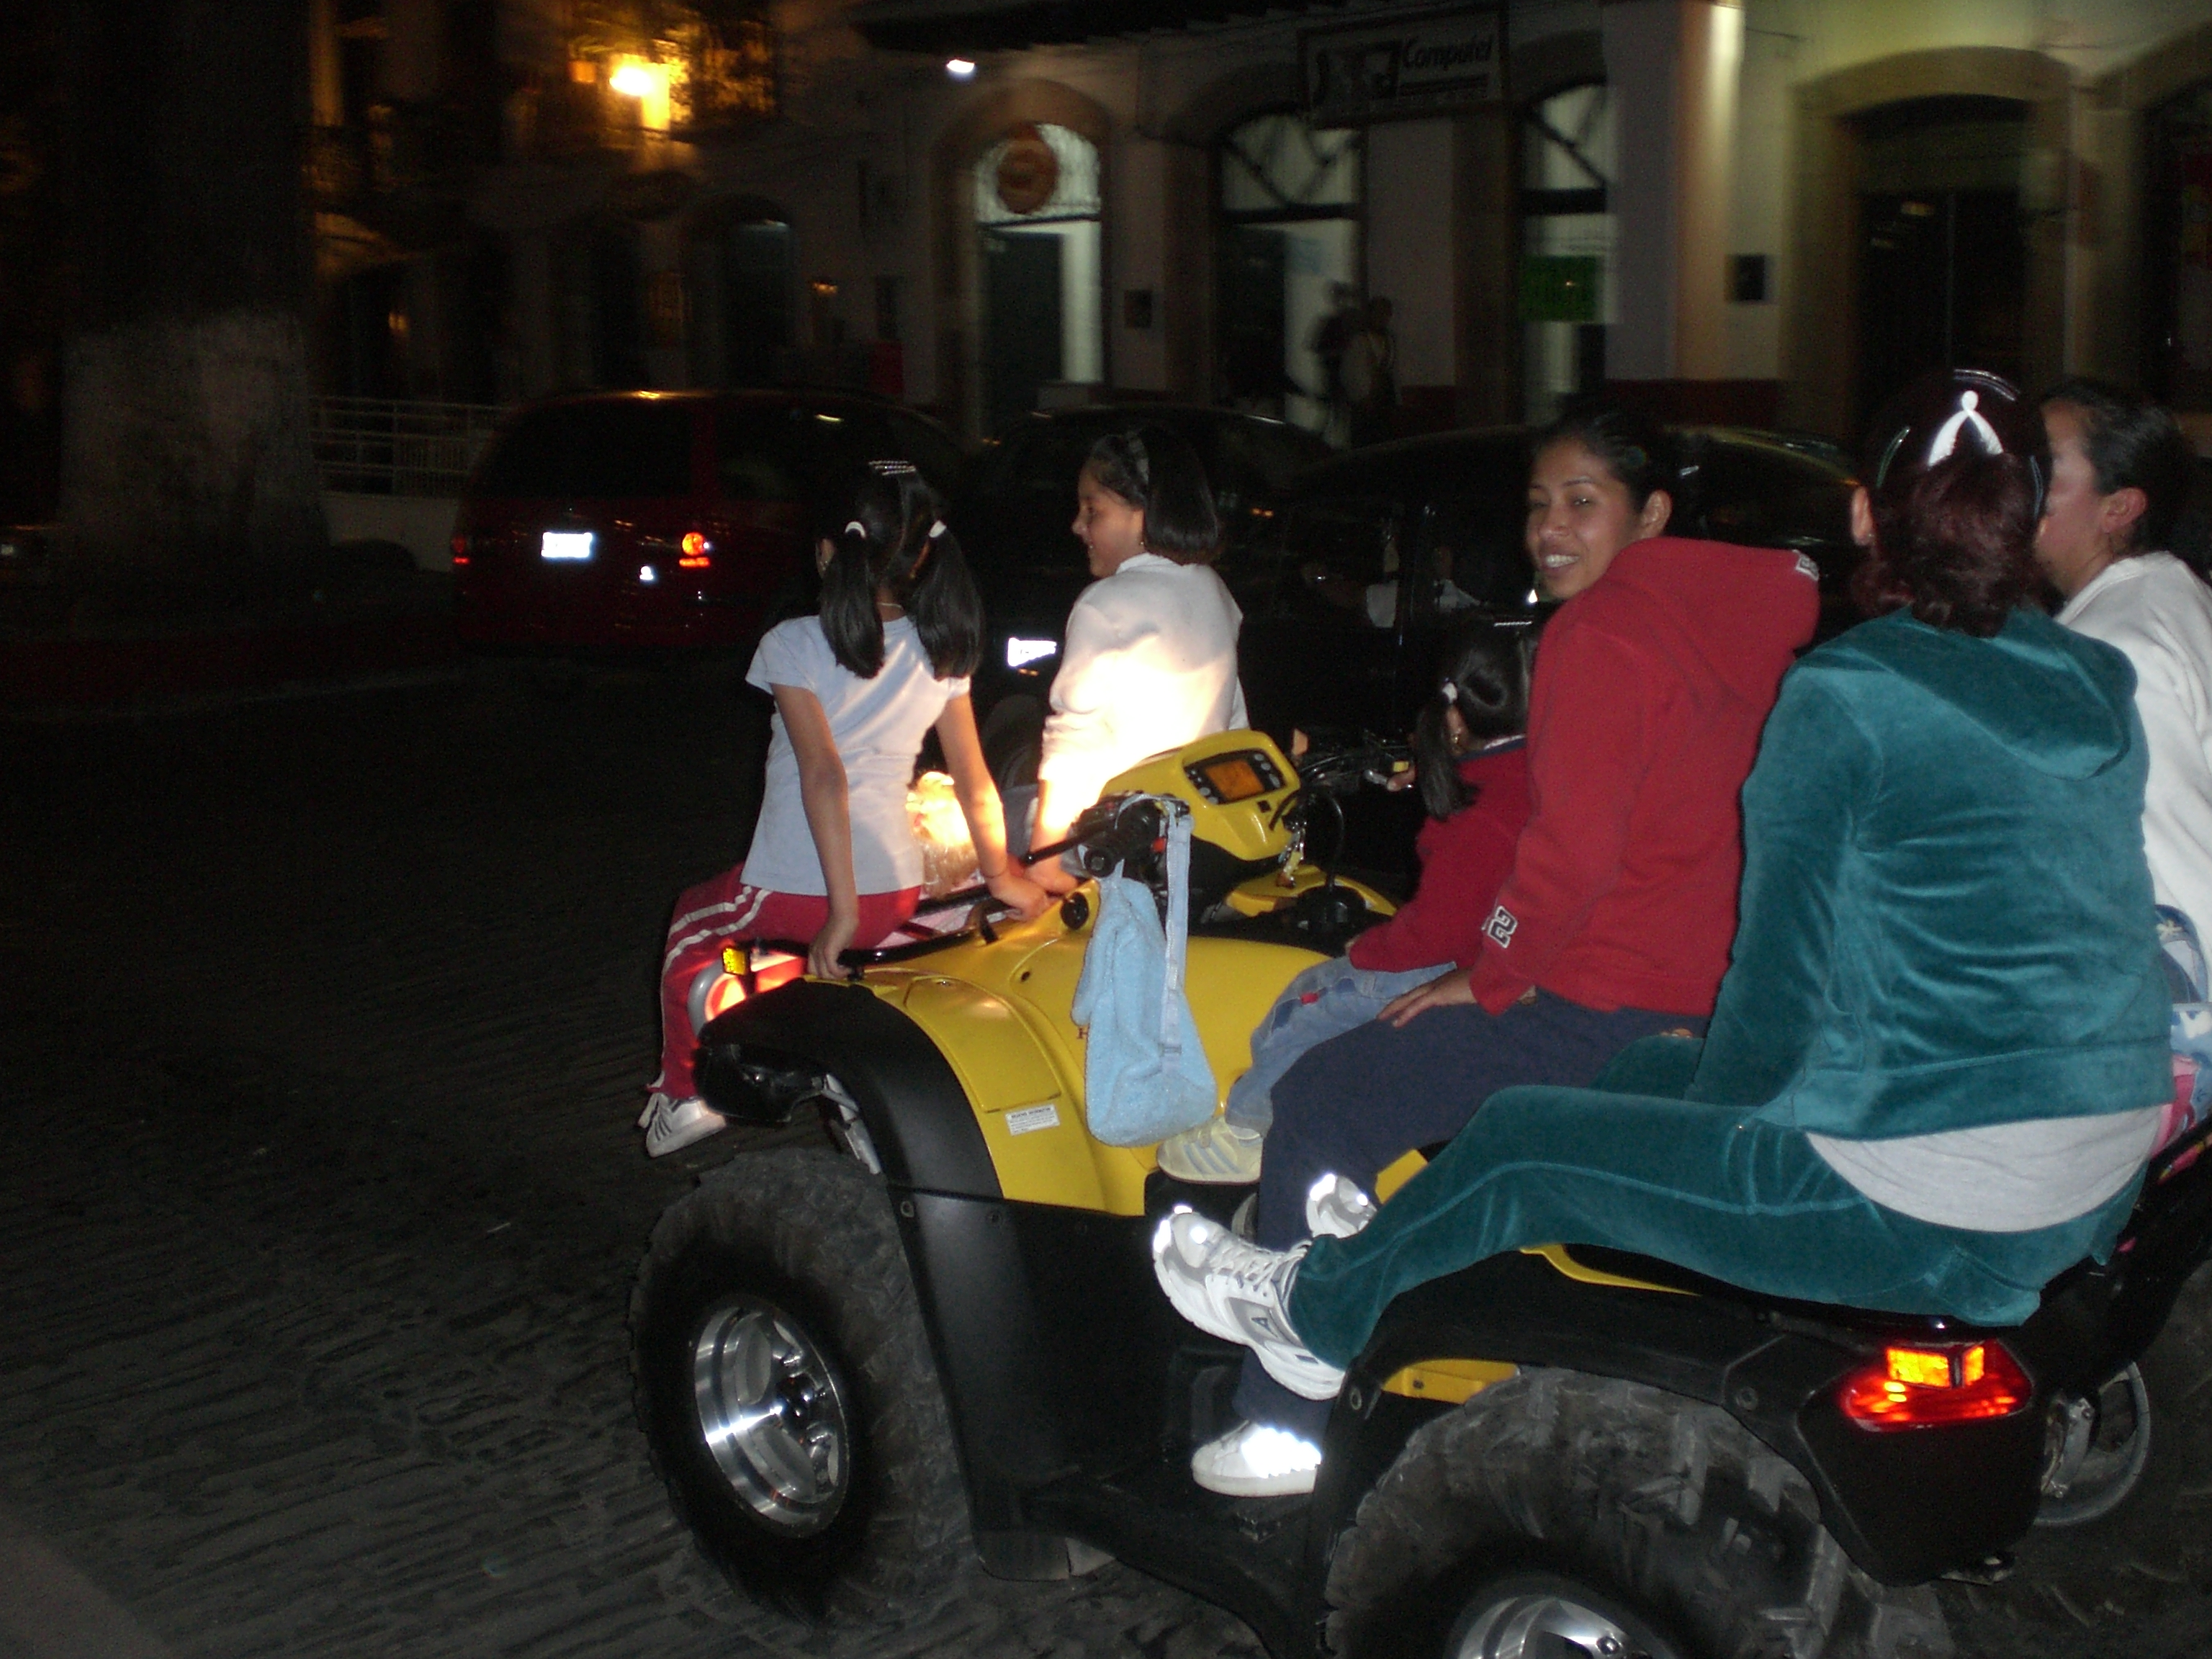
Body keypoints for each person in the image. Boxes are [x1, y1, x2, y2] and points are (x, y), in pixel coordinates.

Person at [1152, 370, 2172, 1475]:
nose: (1552, 526)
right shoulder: (2092, 678)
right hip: (2099, 1158)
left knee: (1522, 1141)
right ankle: (1407, 1271)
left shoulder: (1843, 694)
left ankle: (1315, 1317)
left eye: (1579, 501)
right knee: (1639, 1077)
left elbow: (1772, 996)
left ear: (1863, 514)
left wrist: (1695, 1141)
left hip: (1941, 1197)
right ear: (2029, 519)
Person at [1156, 398, 1823, 1496]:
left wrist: (1491, 970)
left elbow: (1568, 855)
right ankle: (1368, 1258)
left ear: (1652, 513)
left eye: (1583, 502)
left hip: (1603, 996)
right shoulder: (1741, 623)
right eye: (1538, 504)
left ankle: (1288, 1415)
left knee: (1322, 1095)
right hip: (1712, 990)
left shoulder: (1598, 633)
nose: (1551, 529)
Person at [640, 466, 1051, 1157]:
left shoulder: (792, 644)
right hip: (897, 890)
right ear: (921, 558)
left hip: (804, 889)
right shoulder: (941, 651)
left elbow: (825, 776)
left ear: (829, 553)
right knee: (816, 954)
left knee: (693, 922)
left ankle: (684, 1094)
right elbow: (975, 780)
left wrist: (840, 910)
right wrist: (1004, 876)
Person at [1156, 619, 1536, 1183]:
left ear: (1455, 717)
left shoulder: (1475, 823)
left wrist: (1369, 949)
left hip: (1457, 962)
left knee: (1305, 1006)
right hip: (1499, 948)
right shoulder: (1533, 772)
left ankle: (1248, 1132)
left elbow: (1439, 932)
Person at [1028, 426, 1249, 894]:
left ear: (1145, 513)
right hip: (1191, 837)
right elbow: (1233, 724)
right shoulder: (1215, 590)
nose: (1078, 526)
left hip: (1118, 843)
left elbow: (1073, 743)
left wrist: (1044, 861)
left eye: (1093, 510)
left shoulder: (1103, 604)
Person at [2036, 379, 2212, 939]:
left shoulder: (2112, 650)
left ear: (2119, 508)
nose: (2018, 482)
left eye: (2046, 466)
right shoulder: (2172, 599)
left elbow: (2175, 862)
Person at [1341, 297, 1398, 449]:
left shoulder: (1389, 341)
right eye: (1379, 313)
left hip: (1384, 399)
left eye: (1386, 313)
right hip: (1364, 401)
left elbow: (1392, 371)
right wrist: (1361, 397)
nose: (1383, 318)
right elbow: (1349, 374)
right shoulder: (1359, 341)